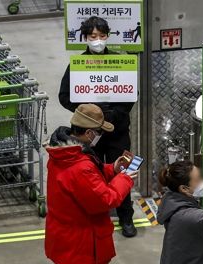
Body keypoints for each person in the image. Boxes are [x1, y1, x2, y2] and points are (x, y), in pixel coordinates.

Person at [44, 104, 137, 264]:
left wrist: (111, 170)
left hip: (62, 233)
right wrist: (125, 179)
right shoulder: (81, 165)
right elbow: (104, 199)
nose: (99, 136)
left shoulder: (64, 153)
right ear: (86, 133)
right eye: (97, 132)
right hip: (80, 238)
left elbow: (88, 181)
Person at [59, 16, 138, 237]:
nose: (98, 40)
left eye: (102, 36)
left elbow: (132, 94)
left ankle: (126, 217)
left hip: (117, 130)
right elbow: (64, 97)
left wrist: (114, 113)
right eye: (93, 36)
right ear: (85, 38)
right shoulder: (77, 66)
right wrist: (88, 112)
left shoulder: (120, 62)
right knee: (92, 174)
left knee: (121, 169)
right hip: (90, 133)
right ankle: (96, 215)